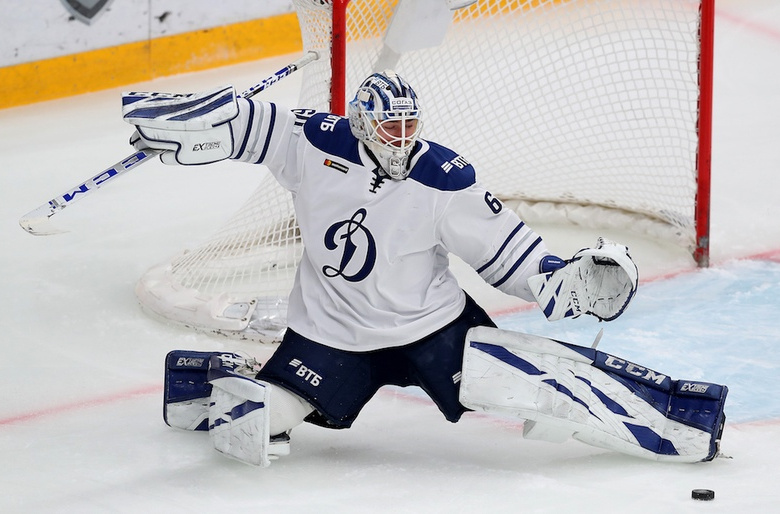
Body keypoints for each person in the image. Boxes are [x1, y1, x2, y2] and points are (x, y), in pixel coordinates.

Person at [126, 71, 726, 466]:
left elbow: (503, 247)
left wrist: (557, 274)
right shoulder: (316, 144)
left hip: (432, 329)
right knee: (262, 417)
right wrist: (201, 122)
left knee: (531, 380)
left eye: (410, 125)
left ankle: (679, 415)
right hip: (331, 336)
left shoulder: (441, 178)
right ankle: (213, 381)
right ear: (362, 123)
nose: (402, 138)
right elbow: (255, 124)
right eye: (390, 126)